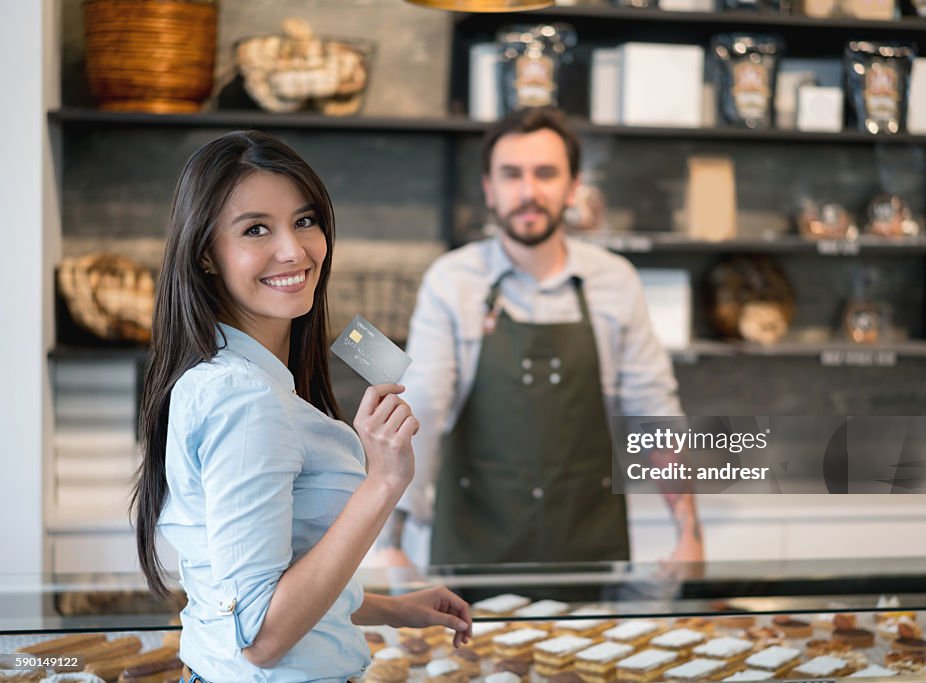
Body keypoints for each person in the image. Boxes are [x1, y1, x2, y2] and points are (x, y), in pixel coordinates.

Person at [131, 131, 471, 683]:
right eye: (256, 229)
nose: (293, 249)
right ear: (205, 255)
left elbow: (269, 585)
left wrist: (393, 610)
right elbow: (263, 637)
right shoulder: (245, 400)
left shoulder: (234, 381)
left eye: (305, 220)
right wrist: (383, 481)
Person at [377, 107, 704, 567]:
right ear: (490, 189)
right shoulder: (452, 282)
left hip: (589, 547)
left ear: (573, 188)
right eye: (511, 175)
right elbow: (423, 409)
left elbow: (654, 412)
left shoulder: (615, 281)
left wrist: (689, 532)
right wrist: (390, 541)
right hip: (473, 550)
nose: (528, 192)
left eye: (546, 174)